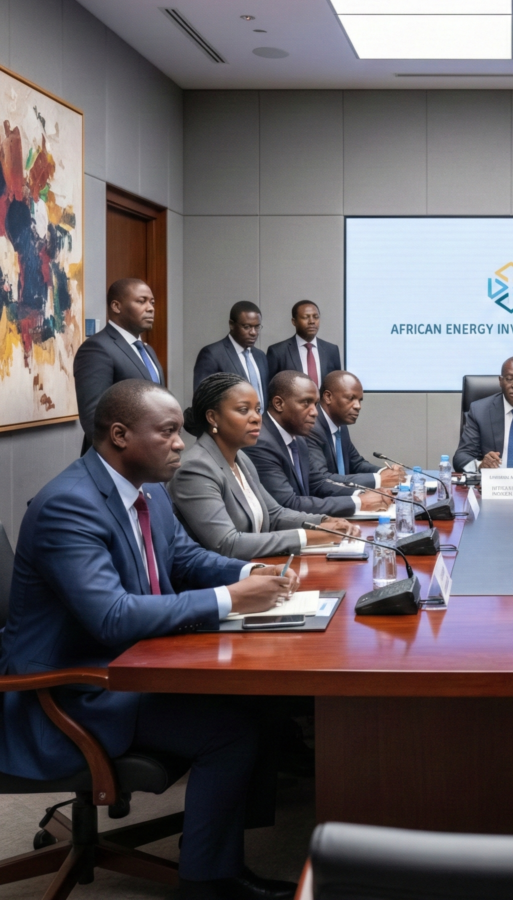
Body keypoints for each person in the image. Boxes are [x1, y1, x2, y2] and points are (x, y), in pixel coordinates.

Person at [0, 379, 300, 899]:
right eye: (167, 433)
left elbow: (184, 559)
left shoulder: (149, 490)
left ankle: (211, 845)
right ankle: (210, 880)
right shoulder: (68, 507)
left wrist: (252, 569)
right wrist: (232, 598)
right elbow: (112, 618)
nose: (181, 443)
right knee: (228, 731)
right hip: (72, 695)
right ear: (119, 435)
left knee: (261, 701)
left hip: (130, 665)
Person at [169, 373, 358, 559]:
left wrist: (322, 522)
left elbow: (274, 514)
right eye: (244, 410)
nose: (256, 418)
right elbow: (227, 543)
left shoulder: (240, 458)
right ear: (213, 417)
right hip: (223, 583)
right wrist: (308, 536)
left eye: (257, 410)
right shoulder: (196, 469)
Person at [244, 371, 389, 517]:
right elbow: (288, 503)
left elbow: (317, 483)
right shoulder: (260, 443)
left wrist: (364, 494)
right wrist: (358, 502)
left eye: (315, 404)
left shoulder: (298, 437)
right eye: (306, 402)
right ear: (279, 403)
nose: (315, 412)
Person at [73, 279, 164, 453]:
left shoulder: (147, 350)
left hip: (151, 458)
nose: (151, 308)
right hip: (119, 461)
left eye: (152, 302)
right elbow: (94, 418)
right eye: (141, 301)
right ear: (116, 306)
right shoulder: (97, 348)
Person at [308, 370, 405, 492]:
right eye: (351, 398)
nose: (358, 406)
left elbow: (356, 463)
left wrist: (385, 472)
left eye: (359, 400)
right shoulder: (311, 428)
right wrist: (378, 480)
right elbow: (323, 479)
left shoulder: (340, 425)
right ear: (328, 397)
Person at [192, 301, 269, 413]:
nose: (253, 332)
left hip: (262, 426)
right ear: (231, 325)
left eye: (257, 327)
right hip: (230, 427)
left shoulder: (260, 356)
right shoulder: (212, 354)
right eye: (246, 327)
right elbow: (203, 400)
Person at [266, 300, 341, 389]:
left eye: (316, 317)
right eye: (306, 317)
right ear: (294, 321)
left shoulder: (331, 350)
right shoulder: (278, 352)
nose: (312, 321)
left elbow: (337, 385)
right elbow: (270, 388)